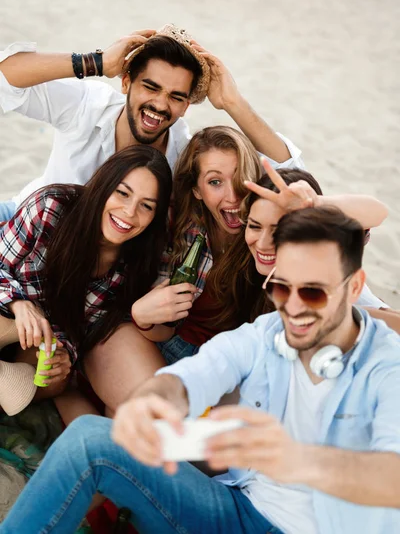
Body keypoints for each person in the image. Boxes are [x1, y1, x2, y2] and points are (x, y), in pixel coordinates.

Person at [3, 206, 400, 534]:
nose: (293, 308)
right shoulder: (268, 332)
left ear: (353, 287)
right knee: (92, 438)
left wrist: (294, 459)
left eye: (312, 291)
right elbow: (199, 374)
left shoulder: (385, 365)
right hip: (235, 508)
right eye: (281, 288)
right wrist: (152, 405)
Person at [84, 132, 387, 414]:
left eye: (240, 180)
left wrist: (314, 204)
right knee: (109, 349)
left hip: (232, 367)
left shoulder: (272, 224)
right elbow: (164, 326)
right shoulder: (181, 230)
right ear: (196, 190)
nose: (232, 196)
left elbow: (374, 213)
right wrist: (144, 317)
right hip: (171, 346)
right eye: (215, 182)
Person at [0, 25, 302, 222]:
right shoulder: (86, 106)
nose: (159, 104)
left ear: (186, 106)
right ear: (127, 82)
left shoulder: (184, 154)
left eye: (175, 96)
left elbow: (292, 175)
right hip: (23, 218)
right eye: (151, 87)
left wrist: (234, 104)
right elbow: (6, 78)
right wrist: (98, 62)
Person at [0, 145, 174, 416]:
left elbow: (85, 330)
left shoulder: (146, 260)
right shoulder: (51, 207)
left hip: (40, 341)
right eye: (122, 193)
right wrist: (18, 304)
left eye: (146, 206)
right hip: (6, 312)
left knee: (53, 376)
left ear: (155, 215)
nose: (129, 212)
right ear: (104, 185)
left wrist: (63, 355)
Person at [208, 159, 391, 329]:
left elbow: (379, 212)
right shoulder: (244, 268)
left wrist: (317, 204)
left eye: (278, 230)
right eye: (255, 226)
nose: (263, 244)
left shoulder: (328, 282)